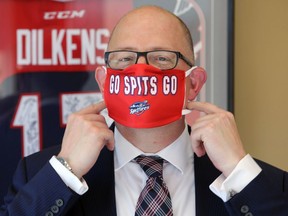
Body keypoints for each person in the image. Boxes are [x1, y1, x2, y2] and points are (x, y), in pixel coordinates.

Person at [1, 5, 288, 216]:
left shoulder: (263, 184)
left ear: (193, 84)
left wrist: (241, 173)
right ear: (104, 81)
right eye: (124, 58)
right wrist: (66, 171)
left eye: (162, 58)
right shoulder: (39, 175)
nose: (140, 70)